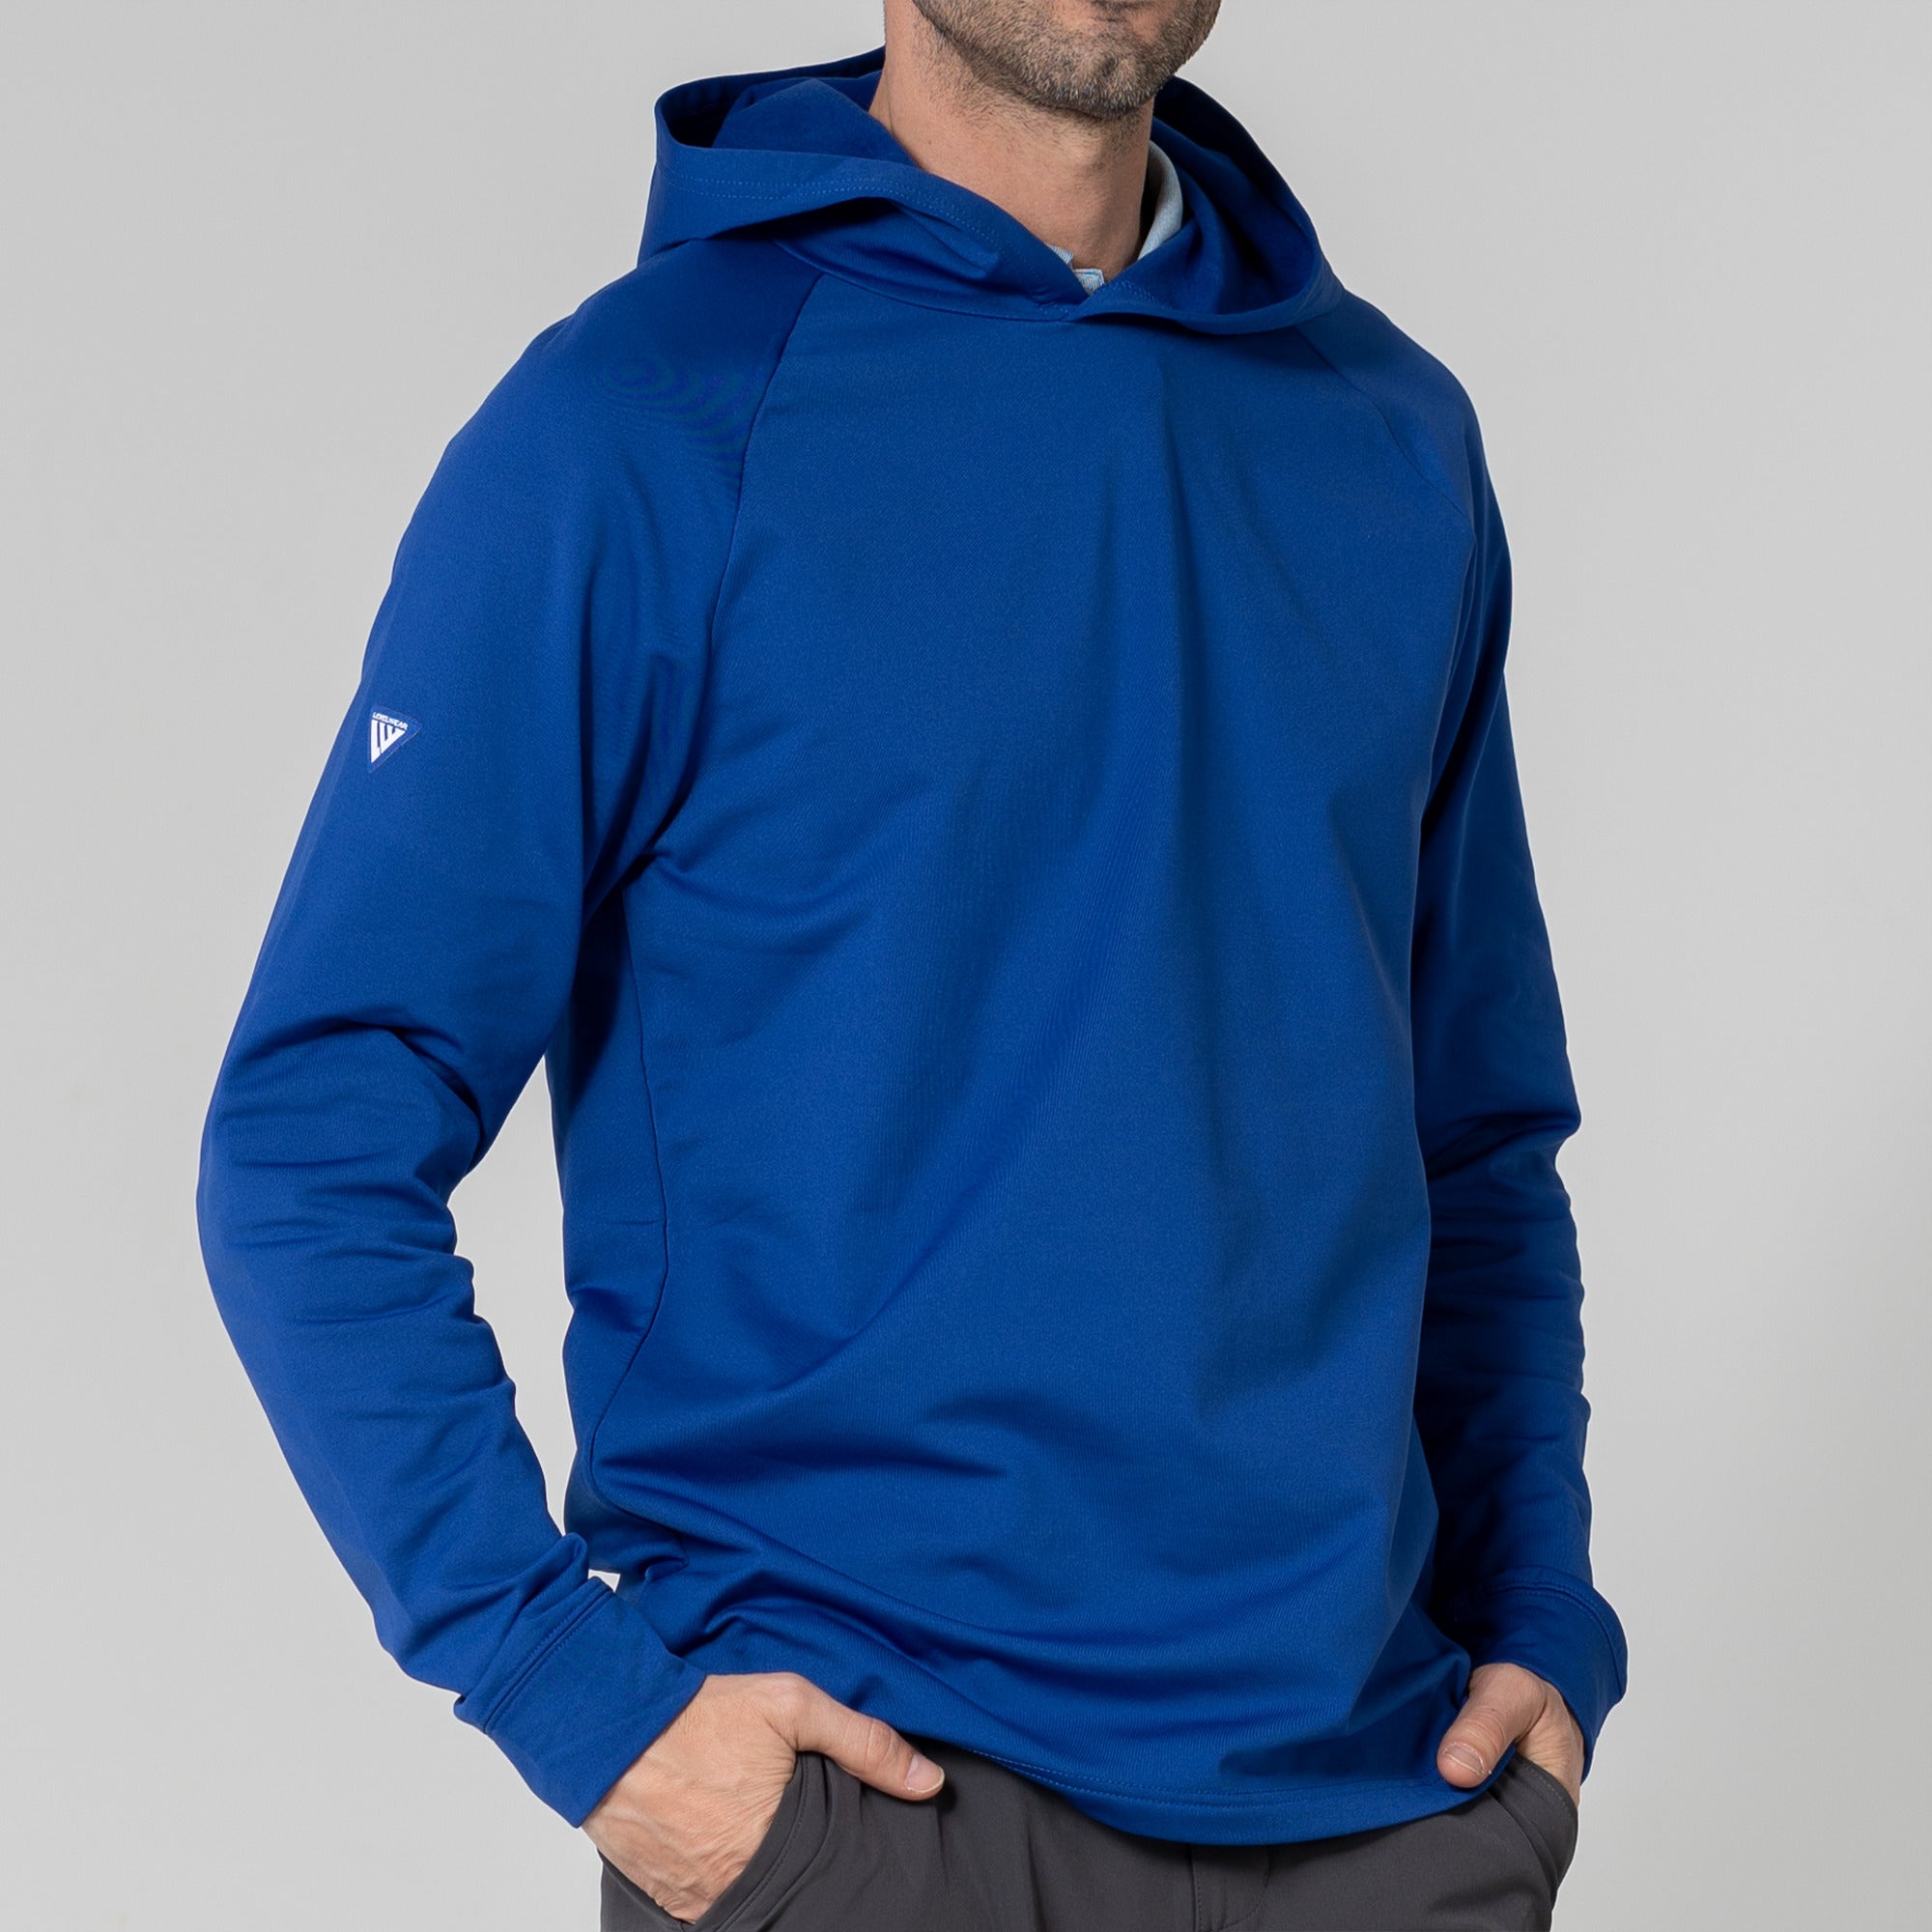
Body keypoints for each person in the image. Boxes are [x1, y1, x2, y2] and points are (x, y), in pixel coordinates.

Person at [197, 3, 1626, 1926]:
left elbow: (1473, 1133)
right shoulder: (642, 421)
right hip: (871, 1811)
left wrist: (1538, 1615)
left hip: (1386, 1808)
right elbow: (317, 1129)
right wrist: (582, 1706)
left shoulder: (1388, 436)